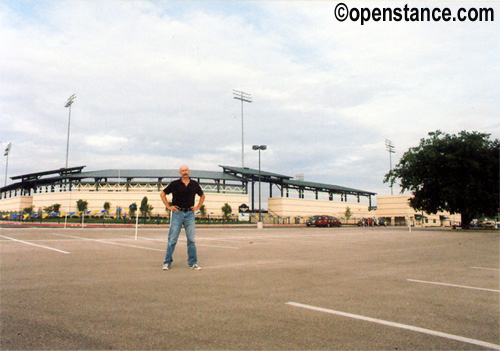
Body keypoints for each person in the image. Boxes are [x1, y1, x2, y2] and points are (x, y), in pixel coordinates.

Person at [160, 165, 205, 271]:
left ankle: (193, 263)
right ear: (180, 173)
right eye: (182, 170)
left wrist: (198, 207)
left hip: (189, 214)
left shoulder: (194, 184)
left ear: (189, 171)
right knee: (172, 239)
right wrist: (168, 206)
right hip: (177, 213)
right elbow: (162, 194)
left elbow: (202, 196)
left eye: (186, 170)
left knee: (191, 240)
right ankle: (167, 262)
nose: (185, 172)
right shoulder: (175, 184)